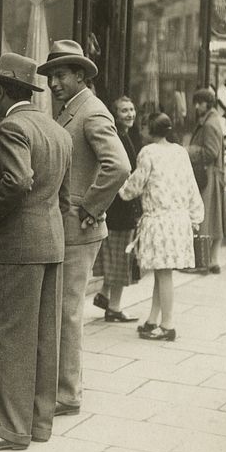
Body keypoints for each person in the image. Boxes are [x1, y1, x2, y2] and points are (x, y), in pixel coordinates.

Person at [0, 53, 72, 451]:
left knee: (5, 337)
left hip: (14, 245)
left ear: (2, 90)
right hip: (50, 243)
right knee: (43, 337)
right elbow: (64, 197)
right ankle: (37, 423)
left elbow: (16, 180)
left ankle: (7, 428)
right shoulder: (58, 131)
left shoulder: (12, 127)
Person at [37, 40, 130, 417]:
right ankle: (63, 387)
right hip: (70, 226)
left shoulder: (91, 113)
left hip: (77, 227)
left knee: (68, 312)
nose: (54, 84)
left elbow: (119, 165)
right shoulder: (73, 111)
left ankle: (67, 394)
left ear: (80, 76)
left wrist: (91, 205)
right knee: (64, 310)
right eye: (51, 77)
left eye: (60, 76)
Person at [117, 112, 205, 341]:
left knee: (163, 274)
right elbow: (191, 185)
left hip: (159, 222)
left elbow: (134, 187)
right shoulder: (180, 152)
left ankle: (167, 326)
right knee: (161, 271)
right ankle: (153, 320)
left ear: (149, 130)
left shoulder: (148, 152)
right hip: (179, 220)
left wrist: (120, 188)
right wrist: (196, 218)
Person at [92, 96, 143, 322]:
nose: (130, 114)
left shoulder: (126, 135)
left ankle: (104, 295)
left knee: (116, 256)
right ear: (115, 114)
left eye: (132, 109)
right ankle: (114, 307)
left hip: (121, 206)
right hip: (120, 206)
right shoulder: (119, 138)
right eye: (124, 111)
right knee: (121, 258)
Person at [187, 86, 226, 273]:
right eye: (196, 103)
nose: (197, 107)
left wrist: (189, 151)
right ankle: (212, 261)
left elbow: (210, 152)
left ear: (208, 103)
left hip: (208, 175)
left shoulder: (209, 123)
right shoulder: (211, 120)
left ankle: (204, 262)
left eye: (200, 103)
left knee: (206, 217)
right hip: (213, 174)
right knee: (215, 218)